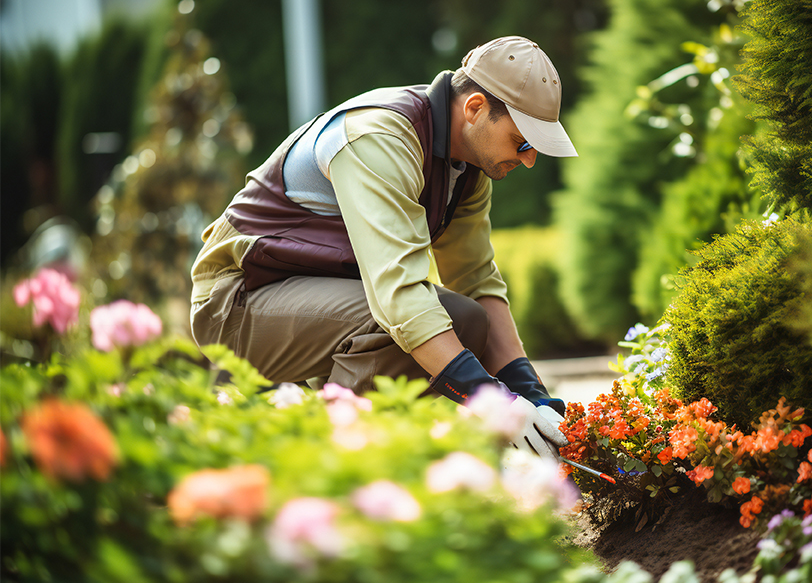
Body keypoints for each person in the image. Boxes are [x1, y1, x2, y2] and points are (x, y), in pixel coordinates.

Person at [189, 36, 578, 461]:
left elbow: (476, 279)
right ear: (474, 108)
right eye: (522, 141)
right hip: (237, 300)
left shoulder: (468, 168)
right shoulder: (379, 137)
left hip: (313, 303)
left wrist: (532, 395)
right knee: (404, 321)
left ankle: (352, 455)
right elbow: (399, 298)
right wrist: (495, 402)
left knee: (466, 318)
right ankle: (327, 463)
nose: (529, 160)